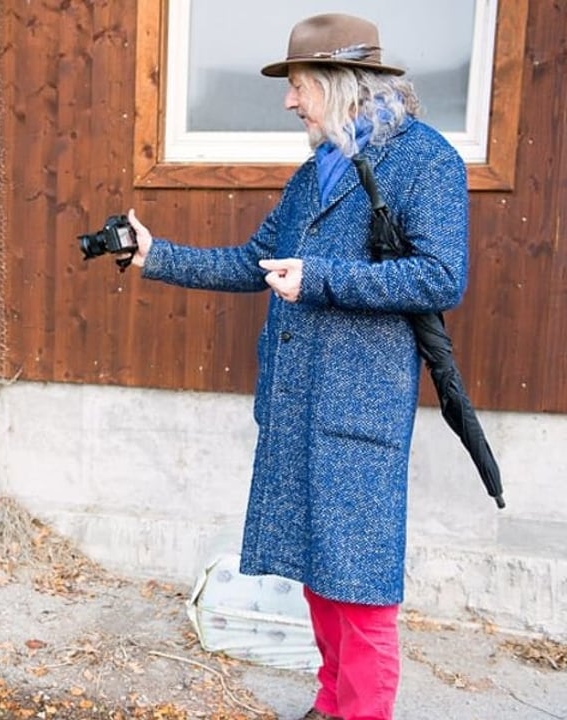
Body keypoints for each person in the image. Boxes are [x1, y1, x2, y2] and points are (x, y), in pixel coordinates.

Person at [124, 13, 469, 720]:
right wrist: (154, 256)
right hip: (296, 402)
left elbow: (440, 278)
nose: (289, 102)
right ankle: (331, 702)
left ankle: (360, 712)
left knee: (361, 588)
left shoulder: (427, 160)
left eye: (301, 86)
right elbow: (255, 261)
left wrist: (319, 278)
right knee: (318, 573)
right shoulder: (320, 169)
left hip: (357, 412)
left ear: (342, 85)